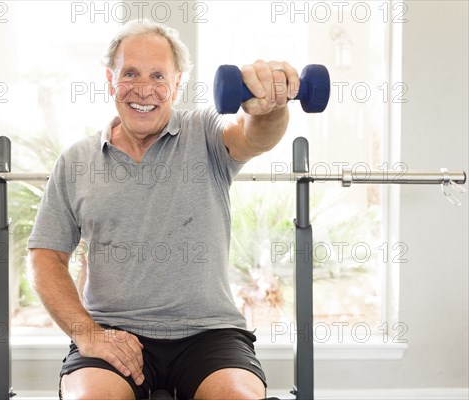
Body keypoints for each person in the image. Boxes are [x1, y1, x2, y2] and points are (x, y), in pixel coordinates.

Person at [27, 19, 299, 400]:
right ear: (110, 80)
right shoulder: (77, 161)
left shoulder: (204, 133)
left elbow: (255, 135)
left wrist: (268, 108)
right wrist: (88, 335)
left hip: (209, 334)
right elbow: (45, 257)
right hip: (114, 331)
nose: (143, 89)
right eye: (131, 74)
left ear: (177, 84)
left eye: (158, 76)